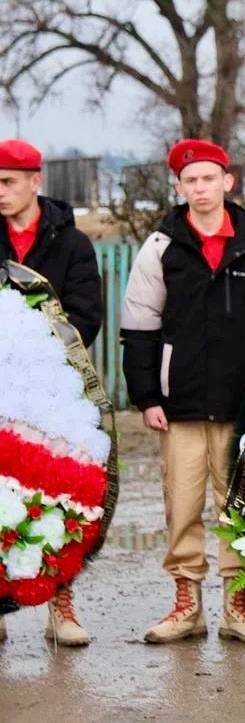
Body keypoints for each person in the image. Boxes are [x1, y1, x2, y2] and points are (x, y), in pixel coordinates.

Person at [121, 139, 245, 645]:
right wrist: (147, 395)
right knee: (181, 503)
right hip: (179, 404)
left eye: (208, 178)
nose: (200, 188)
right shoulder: (161, 246)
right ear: (178, 187)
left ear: (228, 181)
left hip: (242, 404)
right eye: (189, 181)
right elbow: (139, 325)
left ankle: (237, 607)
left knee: (238, 504)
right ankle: (186, 605)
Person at [0, 138, 101, 647]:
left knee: (57, 493)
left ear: (35, 182)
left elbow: (86, 314)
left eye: (7, 182)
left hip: (53, 391)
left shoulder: (71, 243)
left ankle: (61, 606)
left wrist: (37, 355)